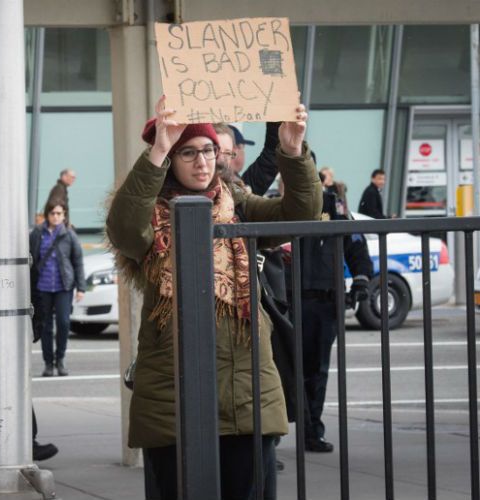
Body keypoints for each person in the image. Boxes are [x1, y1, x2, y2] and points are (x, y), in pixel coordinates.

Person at [106, 95, 322, 500]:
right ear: (171, 158)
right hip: (173, 395)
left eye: (207, 150)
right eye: (187, 153)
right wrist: (157, 151)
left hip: (246, 390)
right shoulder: (149, 211)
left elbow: (301, 215)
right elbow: (124, 230)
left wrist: (292, 153)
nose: (202, 161)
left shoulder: (236, 206)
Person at [296, 181, 373, 453]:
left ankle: (311, 431)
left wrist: (362, 280)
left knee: (316, 372)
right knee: (285, 371)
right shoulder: (282, 207)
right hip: (289, 303)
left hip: (325, 302)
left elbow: (356, 247)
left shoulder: (335, 208)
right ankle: (269, 438)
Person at [29, 200, 86, 377]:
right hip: (42, 287)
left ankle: (60, 359)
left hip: (63, 286)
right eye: (53, 213)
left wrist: (81, 288)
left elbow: (77, 261)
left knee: (63, 323)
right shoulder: (37, 233)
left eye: (59, 214)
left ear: (64, 216)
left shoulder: (69, 234)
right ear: (47, 215)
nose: (55, 216)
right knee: (45, 326)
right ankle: (48, 363)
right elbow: (30, 259)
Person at [214, 122, 280, 196]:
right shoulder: (240, 191)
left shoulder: (241, 188)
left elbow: (270, 157)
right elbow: (270, 157)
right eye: (243, 148)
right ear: (235, 149)